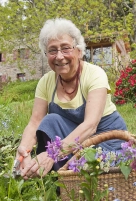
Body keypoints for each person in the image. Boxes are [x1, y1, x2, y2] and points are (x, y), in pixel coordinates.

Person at [16, 18, 127, 180]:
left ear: (79, 51)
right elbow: (35, 122)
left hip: (106, 141)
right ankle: (51, 176)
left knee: (94, 168)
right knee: (50, 120)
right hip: (74, 142)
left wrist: (52, 153)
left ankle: (66, 175)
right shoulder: (46, 82)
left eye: (66, 48)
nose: (59, 56)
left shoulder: (95, 74)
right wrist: (24, 150)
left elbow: (90, 125)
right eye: (52, 50)